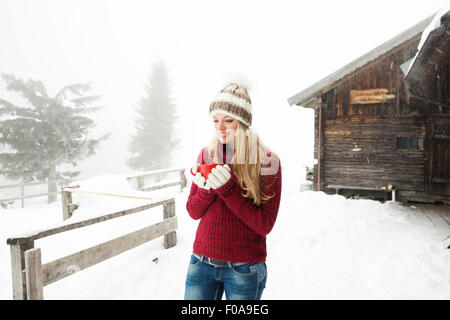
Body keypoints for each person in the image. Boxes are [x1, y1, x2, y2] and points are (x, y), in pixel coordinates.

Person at [184, 82, 282, 300]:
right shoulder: (206, 155)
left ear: (244, 123)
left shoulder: (267, 162)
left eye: (229, 120)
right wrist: (207, 189)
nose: (220, 128)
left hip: (244, 268)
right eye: (216, 120)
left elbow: (264, 225)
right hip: (200, 263)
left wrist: (228, 190)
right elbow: (193, 211)